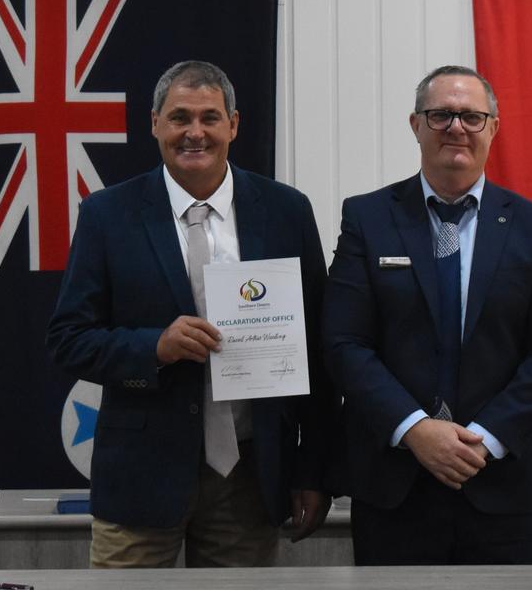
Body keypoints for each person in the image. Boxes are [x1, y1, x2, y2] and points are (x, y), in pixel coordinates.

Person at [47, 60, 336, 568]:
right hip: (141, 476)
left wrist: (313, 472)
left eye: (209, 117)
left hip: (249, 477)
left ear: (234, 125)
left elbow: (317, 350)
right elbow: (68, 339)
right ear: (155, 123)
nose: (194, 133)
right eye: (180, 117)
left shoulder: (286, 210)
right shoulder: (107, 214)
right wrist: (151, 347)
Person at [323, 65, 532, 566]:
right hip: (394, 488)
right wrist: (415, 428)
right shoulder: (368, 218)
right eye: (441, 115)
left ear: (493, 127)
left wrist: (482, 440)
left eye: (470, 116)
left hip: (504, 490)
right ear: (416, 125)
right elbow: (343, 342)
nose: (456, 128)